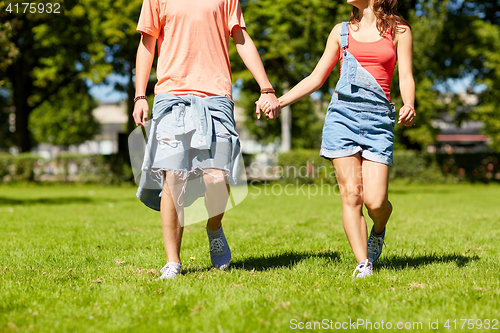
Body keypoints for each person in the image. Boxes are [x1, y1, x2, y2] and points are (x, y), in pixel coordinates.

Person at [259, 0, 415, 277]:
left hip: (379, 120)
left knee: (376, 202)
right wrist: (279, 102)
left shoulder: (399, 31)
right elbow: (317, 78)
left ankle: (378, 230)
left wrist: (409, 103)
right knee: (352, 196)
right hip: (342, 118)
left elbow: (406, 75)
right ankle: (363, 263)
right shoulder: (340, 32)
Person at [133, 0, 281, 280]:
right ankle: (173, 262)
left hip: (216, 97)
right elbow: (146, 44)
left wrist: (266, 88)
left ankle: (214, 228)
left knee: (216, 178)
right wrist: (140, 95)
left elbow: (241, 38)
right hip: (171, 96)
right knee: (173, 178)